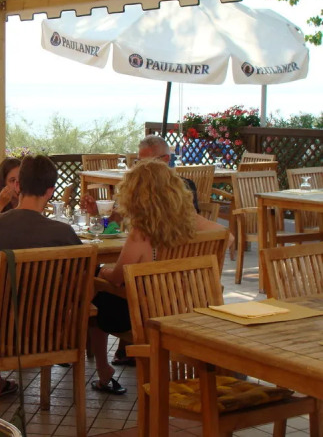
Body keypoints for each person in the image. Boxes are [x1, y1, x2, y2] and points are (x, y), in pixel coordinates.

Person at [88, 159, 228, 395]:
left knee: (96, 295)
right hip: (189, 309)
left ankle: (104, 371)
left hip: (149, 317)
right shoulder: (194, 225)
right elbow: (227, 236)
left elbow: (118, 279)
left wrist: (101, 272)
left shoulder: (141, 233)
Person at [0, 154, 81, 400]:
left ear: (18, 186)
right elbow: (82, 282)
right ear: (50, 191)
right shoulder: (63, 233)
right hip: (48, 332)